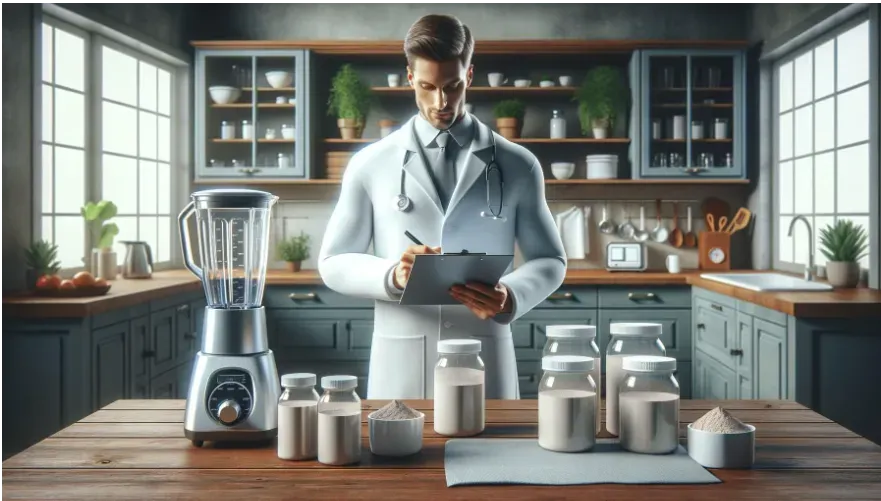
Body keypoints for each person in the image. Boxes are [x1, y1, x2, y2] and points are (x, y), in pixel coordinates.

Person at [317, 14, 566, 400]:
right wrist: (392, 276)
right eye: (428, 86)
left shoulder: (518, 164)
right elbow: (333, 261)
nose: (441, 102)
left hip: (485, 354)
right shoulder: (370, 163)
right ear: (409, 77)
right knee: (400, 457)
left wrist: (511, 296)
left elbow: (550, 260)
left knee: (493, 458)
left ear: (469, 75)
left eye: (452, 86)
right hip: (401, 359)